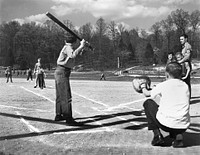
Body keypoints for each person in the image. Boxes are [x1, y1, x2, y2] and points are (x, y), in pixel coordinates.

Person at [141, 62, 190, 147]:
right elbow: (172, 93)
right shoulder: (185, 86)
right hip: (183, 126)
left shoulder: (164, 85)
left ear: (167, 74)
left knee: (148, 103)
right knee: (175, 110)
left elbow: (147, 94)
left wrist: (142, 86)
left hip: (166, 125)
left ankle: (157, 136)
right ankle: (177, 137)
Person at [54, 35, 86, 125]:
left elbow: (74, 54)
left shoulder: (67, 47)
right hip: (63, 71)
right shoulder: (69, 47)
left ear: (65, 40)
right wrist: (81, 46)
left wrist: (82, 49)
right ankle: (68, 118)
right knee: (66, 95)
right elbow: (72, 55)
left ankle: (59, 114)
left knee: (60, 95)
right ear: (75, 42)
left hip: (60, 71)